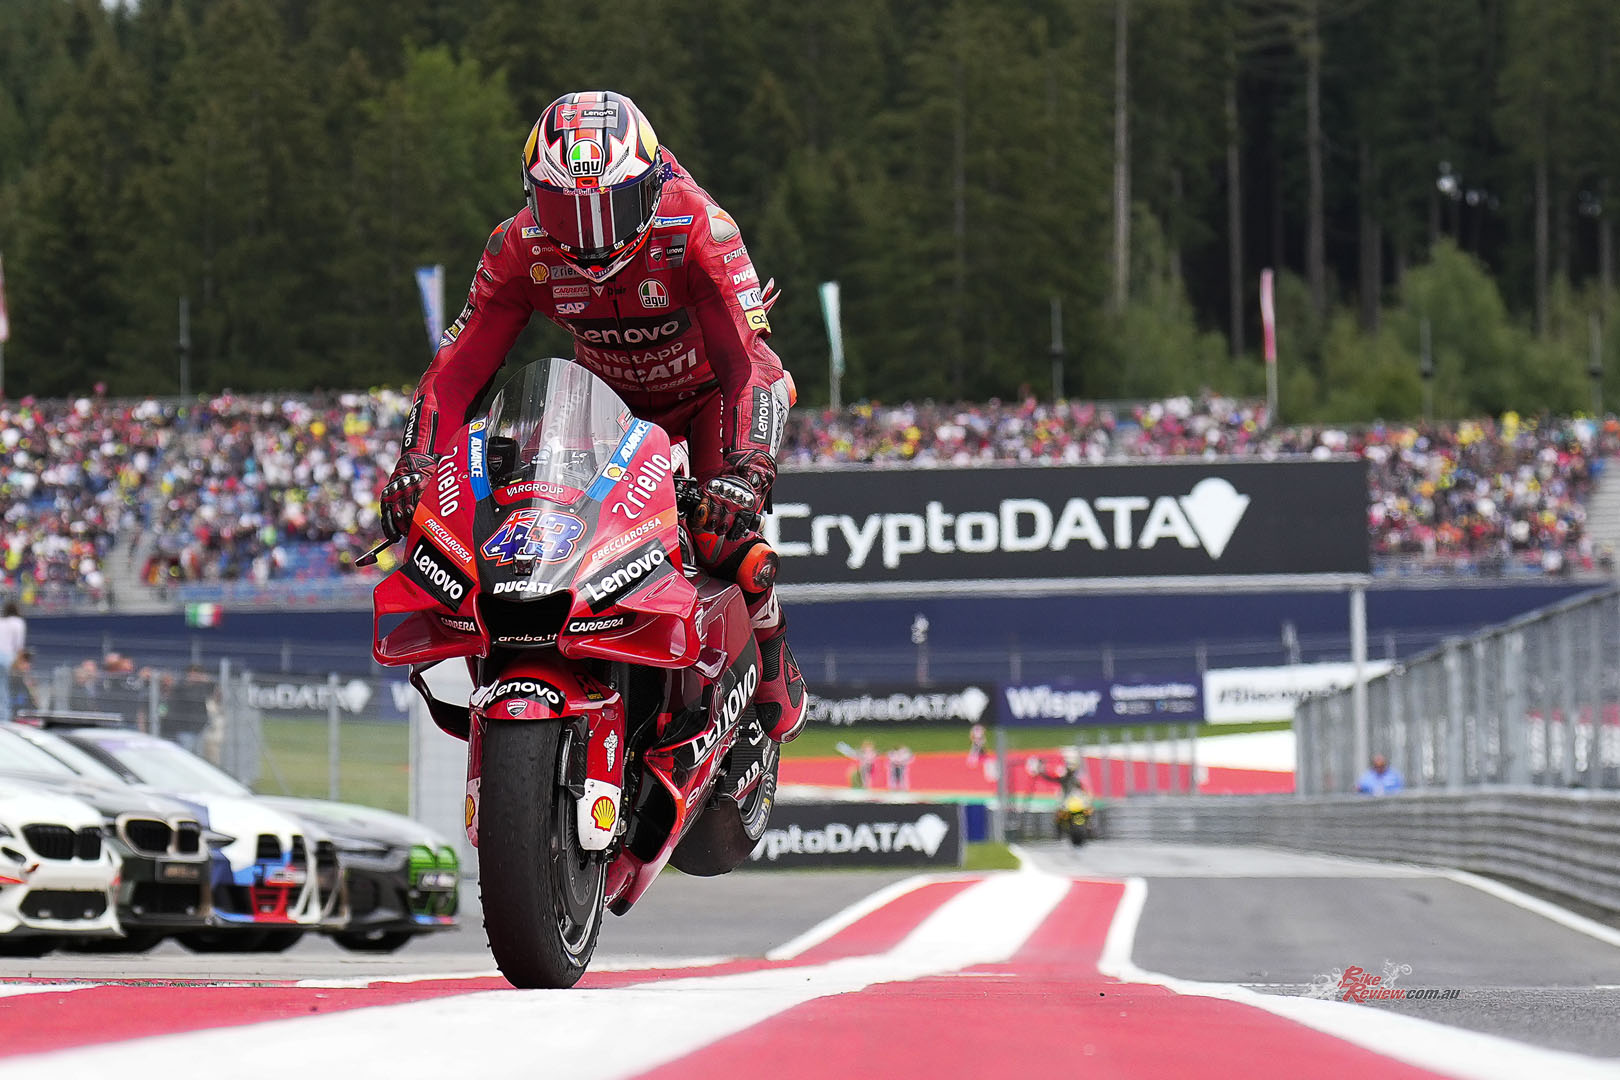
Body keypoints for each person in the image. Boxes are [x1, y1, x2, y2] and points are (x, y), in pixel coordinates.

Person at [381, 90, 805, 742]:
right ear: (531, 197)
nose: (591, 236)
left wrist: (749, 470)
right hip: (605, 408)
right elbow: (457, 368)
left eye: (611, 208)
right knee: (543, 533)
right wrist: (416, 459)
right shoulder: (518, 244)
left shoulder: (698, 226)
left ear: (651, 184)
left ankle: (769, 640)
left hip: (706, 398)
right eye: (566, 212)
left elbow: (750, 363)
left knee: (720, 536)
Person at [0, 601, 25, 723]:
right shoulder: (18, 622)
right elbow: (19, 645)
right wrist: (19, 664)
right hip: (7, 658)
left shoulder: (1, 621)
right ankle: (4, 718)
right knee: (5, 688)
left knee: (3, 687)